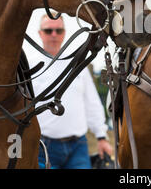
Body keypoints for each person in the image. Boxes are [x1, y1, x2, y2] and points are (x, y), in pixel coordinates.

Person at [30, 14, 113, 169]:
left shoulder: (77, 64)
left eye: (58, 30)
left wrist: (101, 137)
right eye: (48, 31)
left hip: (78, 147)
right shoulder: (29, 67)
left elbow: (92, 103)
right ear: (40, 33)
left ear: (64, 33)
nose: (54, 34)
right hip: (43, 147)